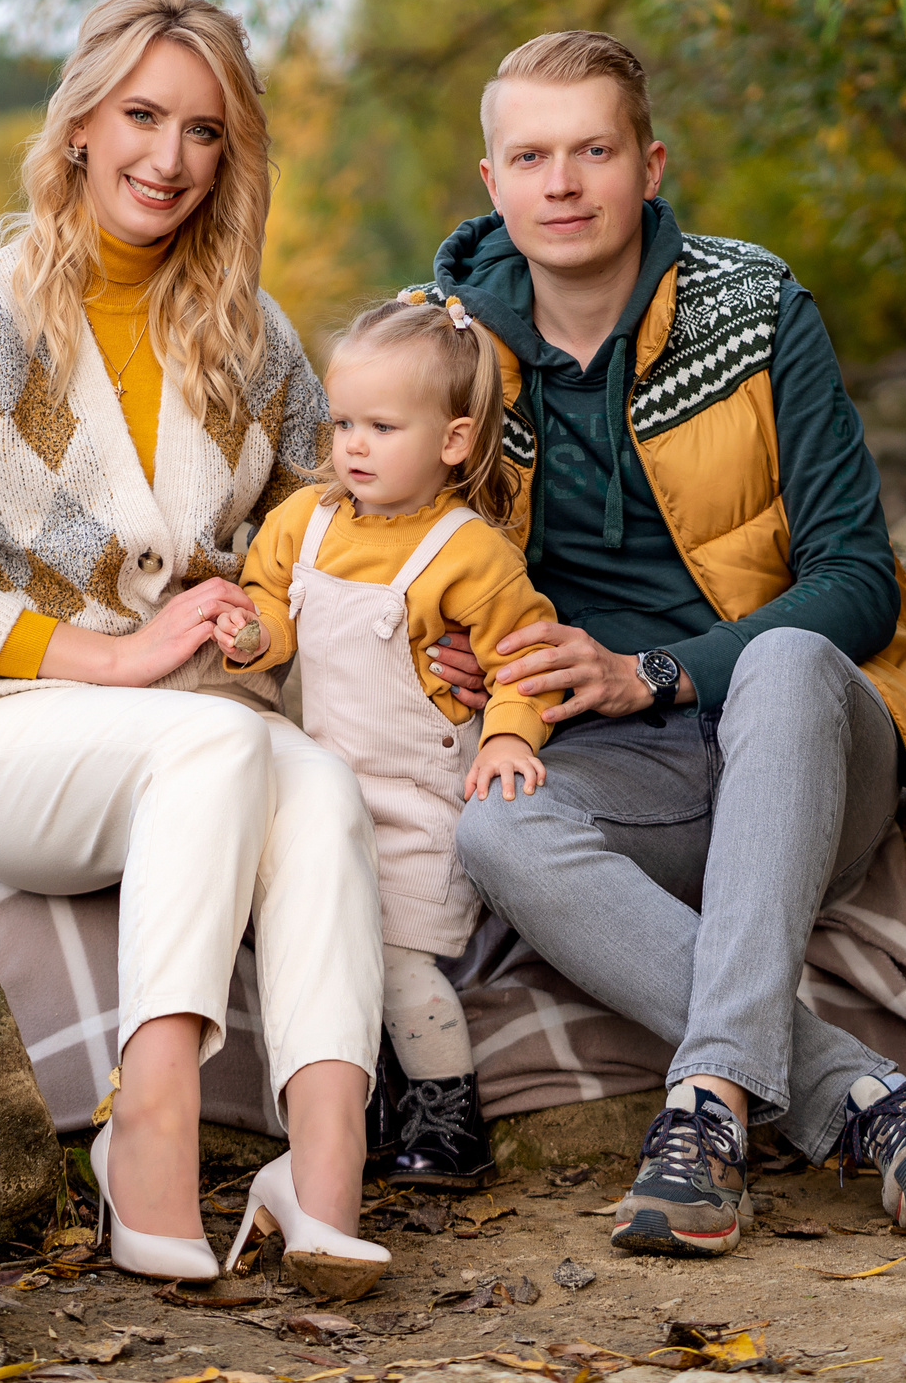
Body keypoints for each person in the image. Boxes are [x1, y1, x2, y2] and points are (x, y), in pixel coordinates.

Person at [431, 30, 906, 1252]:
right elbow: (387, 551)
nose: (562, 184)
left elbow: (857, 581)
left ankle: (703, 1111)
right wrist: (445, 651)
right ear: (491, 182)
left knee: (786, 660)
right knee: (492, 827)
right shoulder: (446, 352)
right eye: (530, 157)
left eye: (593, 151)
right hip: (618, 775)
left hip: (806, 747)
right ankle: (867, 1100)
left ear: (648, 167)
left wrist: (652, 672)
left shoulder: (756, 307)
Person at [0, 0, 391, 1297]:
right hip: (15, 741)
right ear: (82, 123)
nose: (168, 157)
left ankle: (321, 1176)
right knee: (220, 743)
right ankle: (145, 1128)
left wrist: (264, 622)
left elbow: (318, 536)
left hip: (200, 735)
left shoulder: (254, 339)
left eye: (204, 130)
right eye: (143, 116)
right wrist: (111, 657)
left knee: (321, 784)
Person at [213, 291, 559, 1190]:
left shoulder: (470, 553)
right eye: (342, 424)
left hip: (420, 803)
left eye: (381, 427)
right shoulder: (307, 522)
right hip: (326, 788)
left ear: (453, 440)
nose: (354, 446)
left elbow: (523, 660)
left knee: (400, 962)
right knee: (326, 944)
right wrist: (252, 634)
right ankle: (356, 1103)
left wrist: (508, 737)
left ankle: (447, 1111)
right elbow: (272, 605)